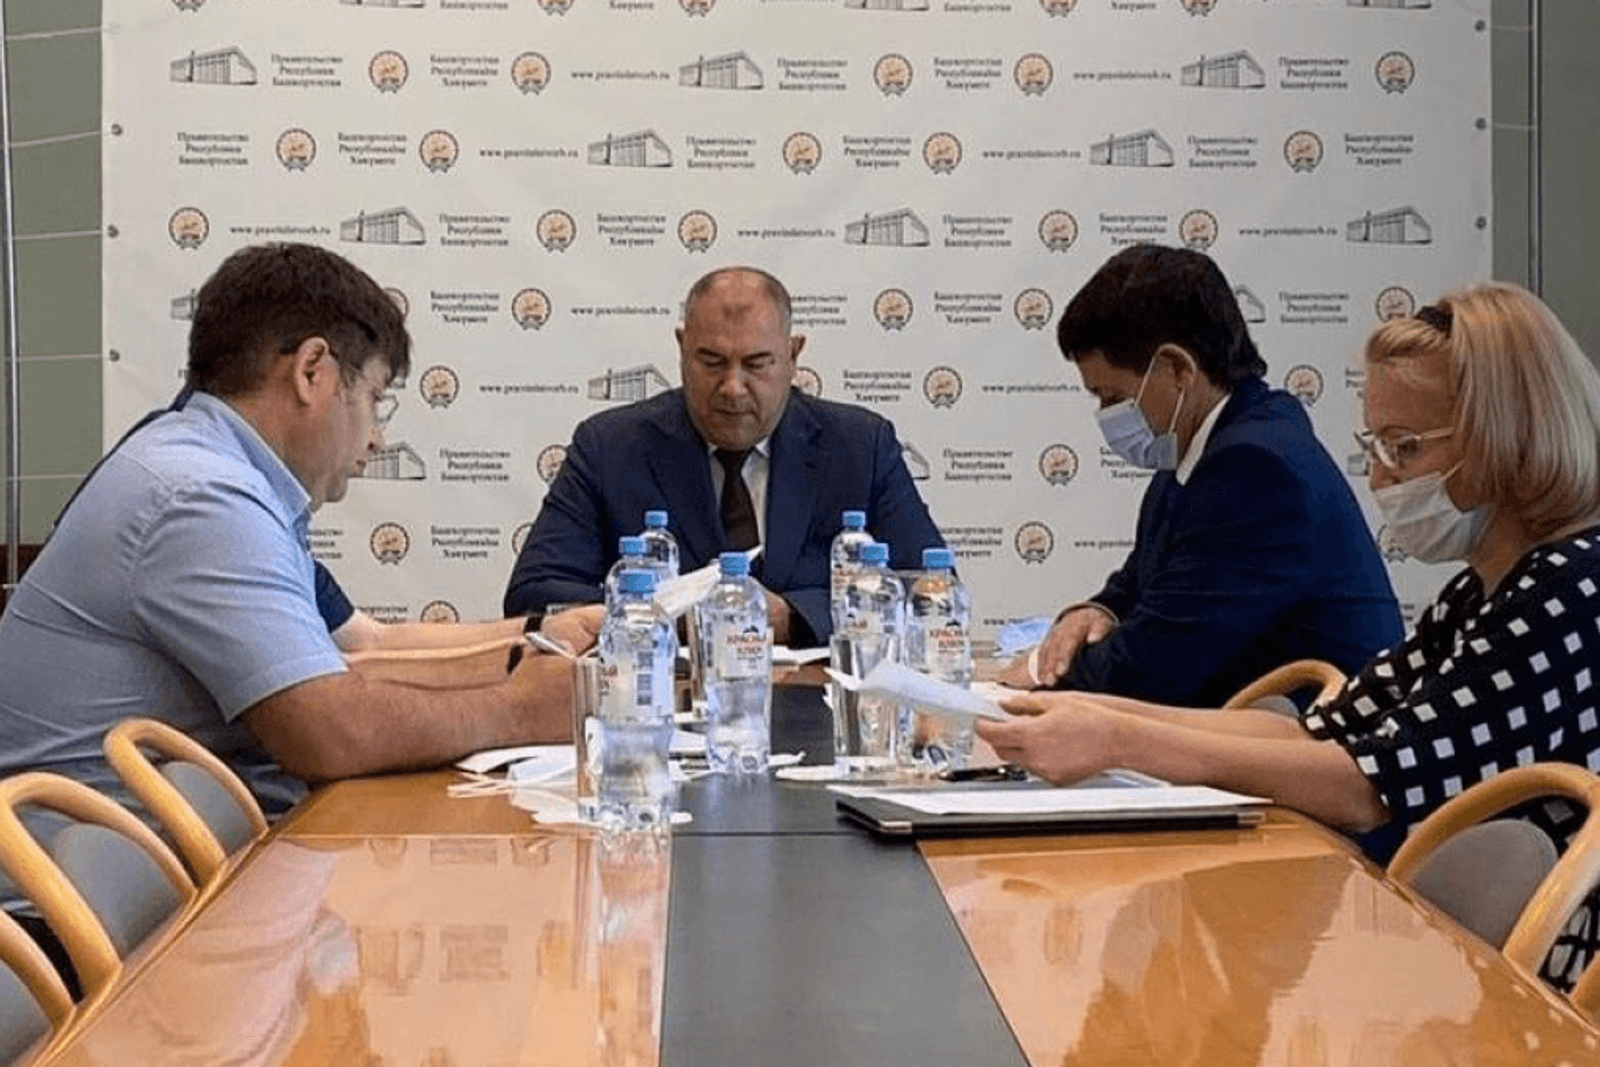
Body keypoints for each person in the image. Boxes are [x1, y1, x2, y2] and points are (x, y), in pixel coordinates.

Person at [979, 282, 1600, 989]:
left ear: (1509, 439)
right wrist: (1090, 714)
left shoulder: (1567, 591)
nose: (1380, 475)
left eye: (1405, 447)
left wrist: (1118, 738)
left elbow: (1369, 785)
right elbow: (1321, 730)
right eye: (1376, 445)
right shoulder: (1483, 587)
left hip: (1540, 995)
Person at [0, 243, 576, 834]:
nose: (377, 439)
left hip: (157, 867)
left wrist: (538, 648)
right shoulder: (203, 497)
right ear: (311, 371)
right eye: (375, 398)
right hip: (95, 888)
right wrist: (523, 709)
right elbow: (328, 733)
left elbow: (355, 662)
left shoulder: (217, 473)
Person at [997, 243, 1403, 705]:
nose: (1106, 415)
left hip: (1319, 737)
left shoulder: (1255, 469)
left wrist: (1033, 676)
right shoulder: (1204, 445)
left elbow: (1152, 666)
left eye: (1113, 397)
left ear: (1177, 368)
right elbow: (1140, 584)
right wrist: (1095, 611)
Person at [504, 266, 943, 645]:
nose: (732, 387)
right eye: (712, 361)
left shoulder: (860, 446)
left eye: (756, 363)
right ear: (682, 348)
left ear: (793, 355)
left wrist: (794, 618)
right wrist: (674, 617)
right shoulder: (610, 446)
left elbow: (933, 593)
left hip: (819, 700)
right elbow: (534, 597)